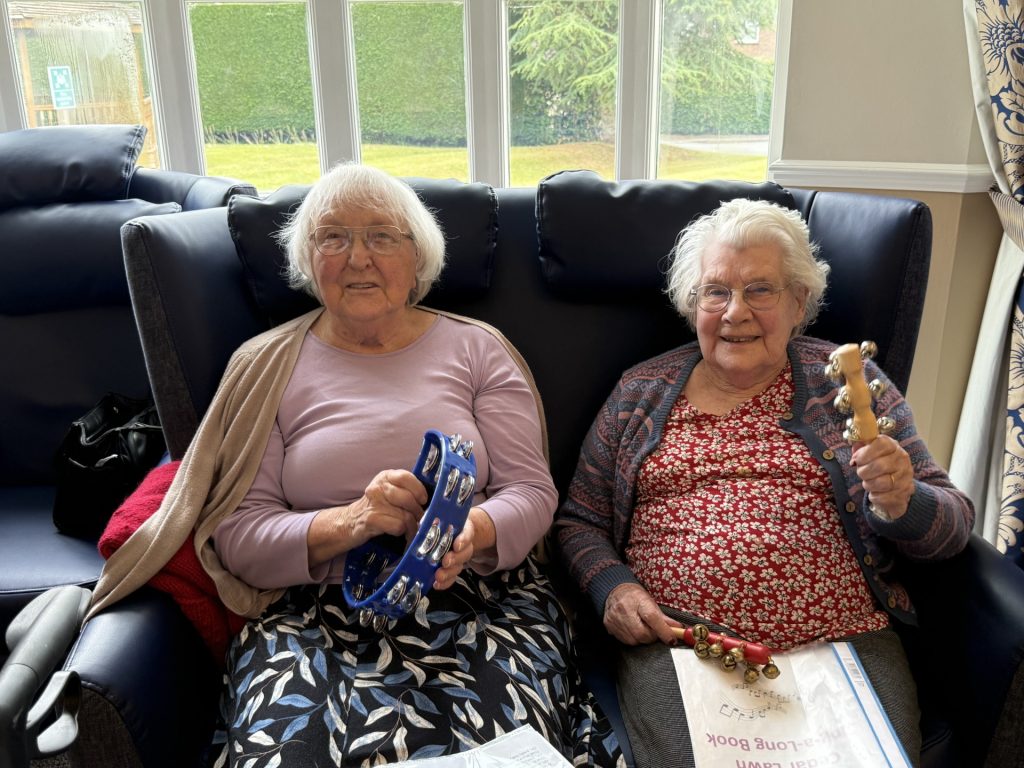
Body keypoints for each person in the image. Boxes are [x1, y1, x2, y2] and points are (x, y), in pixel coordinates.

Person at [91, 163, 623, 767]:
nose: (357, 257)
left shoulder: (479, 349)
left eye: (382, 236)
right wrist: (353, 520)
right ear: (307, 259)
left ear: (417, 255)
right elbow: (239, 538)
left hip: (480, 597)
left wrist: (468, 532)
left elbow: (530, 492)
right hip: (314, 610)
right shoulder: (263, 366)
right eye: (332, 237)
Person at [554, 197, 974, 768]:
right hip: (682, 644)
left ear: (799, 301)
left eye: (760, 290)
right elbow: (580, 521)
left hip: (843, 639)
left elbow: (951, 527)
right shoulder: (641, 392)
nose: (735, 312)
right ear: (692, 302)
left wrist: (905, 501)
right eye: (716, 291)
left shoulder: (848, 385)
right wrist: (616, 589)